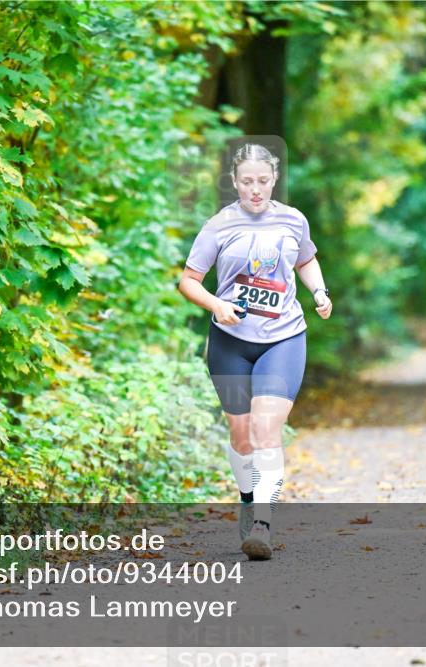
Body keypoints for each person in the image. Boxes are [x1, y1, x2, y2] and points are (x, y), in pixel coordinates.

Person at [177, 143, 332, 560]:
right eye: (247, 182)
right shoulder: (218, 225)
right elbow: (189, 281)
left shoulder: (292, 220)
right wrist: (217, 304)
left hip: (283, 336)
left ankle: (262, 521)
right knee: (242, 437)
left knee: (266, 430)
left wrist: (318, 290)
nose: (256, 189)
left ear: (274, 179)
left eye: (263, 181)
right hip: (230, 342)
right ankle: (248, 497)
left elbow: (307, 260)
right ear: (234, 182)